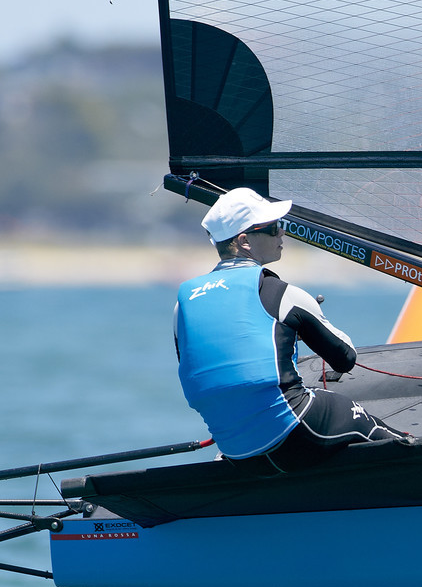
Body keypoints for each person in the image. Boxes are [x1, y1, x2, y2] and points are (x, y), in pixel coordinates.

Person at [173, 188, 408, 472]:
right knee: (353, 413)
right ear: (244, 241)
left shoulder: (182, 306)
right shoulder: (281, 293)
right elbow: (345, 358)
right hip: (292, 433)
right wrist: (313, 318)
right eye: (272, 228)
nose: (282, 234)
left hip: (234, 447)